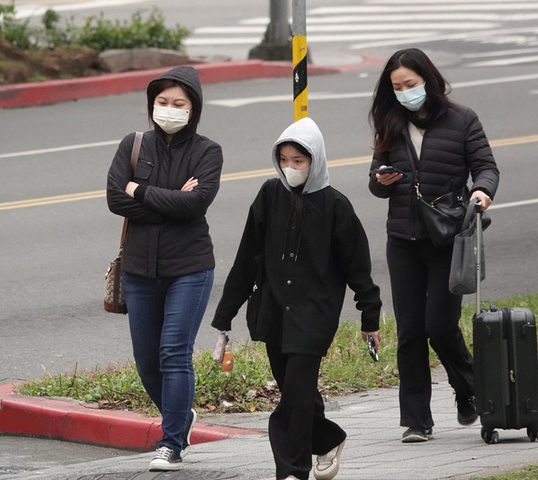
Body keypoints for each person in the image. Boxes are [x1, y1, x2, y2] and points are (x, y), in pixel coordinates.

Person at [211, 117, 382, 480]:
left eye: (299, 161)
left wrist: (370, 317)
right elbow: (247, 257)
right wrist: (225, 315)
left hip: (314, 316)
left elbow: (358, 267)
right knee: (296, 392)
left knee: (292, 400)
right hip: (273, 313)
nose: (290, 168)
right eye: (284, 159)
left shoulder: (337, 206)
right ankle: (328, 438)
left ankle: (291, 471)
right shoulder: (269, 196)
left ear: (315, 161)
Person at [367, 48, 499, 443]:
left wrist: (482, 191)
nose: (405, 92)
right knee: (410, 332)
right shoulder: (389, 123)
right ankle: (417, 421)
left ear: (428, 79)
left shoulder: (462, 120)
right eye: (397, 87)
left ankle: (469, 388)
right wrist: (382, 180)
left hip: (447, 238)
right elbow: (374, 184)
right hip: (402, 239)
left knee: (440, 326)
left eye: (410, 84)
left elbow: (486, 166)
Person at [106, 65, 223, 472]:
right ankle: (181, 415)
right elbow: (115, 200)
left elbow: (195, 205)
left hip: (189, 268)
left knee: (174, 352)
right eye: (162, 102)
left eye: (179, 103)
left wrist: (140, 190)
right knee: (146, 359)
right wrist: (170, 198)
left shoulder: (208, 152)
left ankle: (171, 442)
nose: (169, 109)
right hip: (139, 270)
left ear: (194, 109)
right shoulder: (133, 145)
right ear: (151, 105)